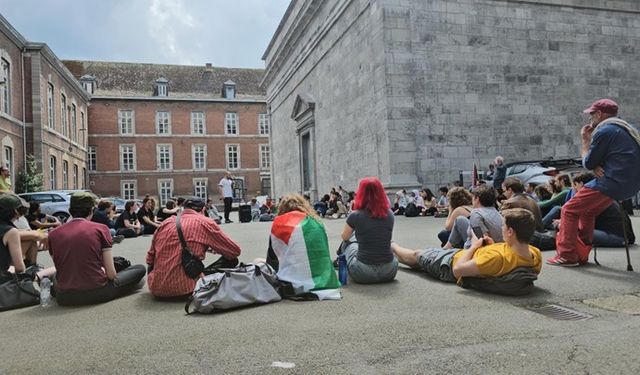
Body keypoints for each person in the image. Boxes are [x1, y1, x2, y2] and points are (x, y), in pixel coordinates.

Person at [548, 99, 640, 266]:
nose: (590, 119)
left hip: (612, 180)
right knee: (588, 211)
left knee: (569, 209)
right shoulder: (627, 128)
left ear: (599, 114)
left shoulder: (604, 130)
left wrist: (585, 140)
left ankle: (567, 256)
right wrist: (597, 165)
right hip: (631, 184)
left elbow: (588, 163)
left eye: (591, 115)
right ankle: (581, 254)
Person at [392, 208, 542, 284]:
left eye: (503, 226)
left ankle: (392, 246)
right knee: (421, 255)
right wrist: (490, 246)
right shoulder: (535, 254)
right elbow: (507, 257)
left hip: (449, 263)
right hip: (467, 255)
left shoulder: (496, 258)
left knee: (417, 255)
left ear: (510, 231)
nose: (501, 229)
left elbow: (458, 271)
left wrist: (474, 246)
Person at [48, 192, 145, 306]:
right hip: (97, 291)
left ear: (70, 211)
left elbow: (60, 266)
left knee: (55, 275)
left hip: (65, 296)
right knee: (140, 269)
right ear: (91, 211)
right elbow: (111, 275)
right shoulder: (101, 229)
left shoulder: (53, 234)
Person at [146, 196, 241, 298]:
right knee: (232, 260)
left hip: (156, 287)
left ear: (183, 208)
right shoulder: (204, 222)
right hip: (187, 288)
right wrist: (212, 246)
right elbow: (234, 251)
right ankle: (200, 280)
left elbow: (150, 257)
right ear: (203, 209)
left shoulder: (166, 223)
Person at [265, 194, 340, 299]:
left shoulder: (280, 223)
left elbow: (272, 258)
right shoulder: (316, 223)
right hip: (325, 281)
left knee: (259, 262)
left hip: (291, 284)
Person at [339, 177, 397, 284]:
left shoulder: (355, 215)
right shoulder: (390, 214)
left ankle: (340, 262)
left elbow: (345, 237)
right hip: (389, 271)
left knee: (349, 243)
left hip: (363, 273)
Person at [0, 194, 55, 287]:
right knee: (55, 269)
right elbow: (19, 268)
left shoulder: (10, 230)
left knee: (30, 239)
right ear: (15, 212)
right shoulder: (11, 232)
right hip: (3, 281)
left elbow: (27, 234)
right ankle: (33, 269)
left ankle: (32, 267)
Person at [443, 185, 503, 250]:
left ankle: (446, 248)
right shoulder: (496, 213)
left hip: (482, 250)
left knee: (459, 220)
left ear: (477, 199)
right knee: (460, 220)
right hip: (498, 246)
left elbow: (482, 240)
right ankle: (447, 248)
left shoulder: (476, 213)